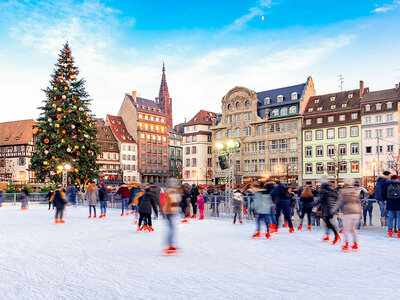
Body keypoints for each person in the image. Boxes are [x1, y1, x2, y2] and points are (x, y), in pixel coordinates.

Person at [332, 178, 362, 251]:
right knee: (353, 228)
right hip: (356, 212)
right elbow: (359, 202)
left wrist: (333, 210)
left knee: (346, 229)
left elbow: (340, 201)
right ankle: (355, 244)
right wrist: (360, 212)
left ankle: (346, 244)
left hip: (348, 212)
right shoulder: (355, 191)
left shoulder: (343, 191)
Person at [163, 179, 182, 255]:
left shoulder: (173, 192)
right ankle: (169, 245)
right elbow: (171, 203)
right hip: (169, 212)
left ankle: (170, 244)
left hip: (171, 212)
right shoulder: (171, 193)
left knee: (172, 229)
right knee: (171, 229)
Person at [318, 179, 340, 244]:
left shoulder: (325, 191)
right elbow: (337, 199)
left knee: (329, 223)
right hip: (332, 209)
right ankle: (328, 235)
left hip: (328, 209)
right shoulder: (333, 191)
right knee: (328, 223)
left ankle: (335, 235)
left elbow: (321, 201)